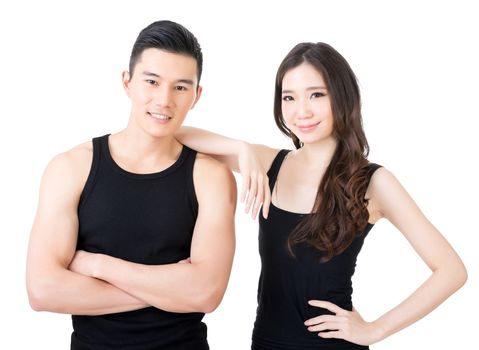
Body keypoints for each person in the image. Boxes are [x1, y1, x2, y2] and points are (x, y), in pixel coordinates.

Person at [175, 42, 467, 349]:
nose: (302, 111)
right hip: (267, 342)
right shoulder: (270, 163)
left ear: (342, 97)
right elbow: (176, 135)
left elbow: (451, 271)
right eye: (289, 97)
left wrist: (375, 330)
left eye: (316, 94)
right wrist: (239, 148)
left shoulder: (373, 182)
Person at [26, 20, 236, 350]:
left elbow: (206, 293)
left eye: (180, 87)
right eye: (152, 81)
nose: (164, 100)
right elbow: (42, 290)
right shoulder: (71, 168)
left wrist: (99, 266)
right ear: (127, 82)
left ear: (196, 96)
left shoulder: (210, 178)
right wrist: (169, 289)